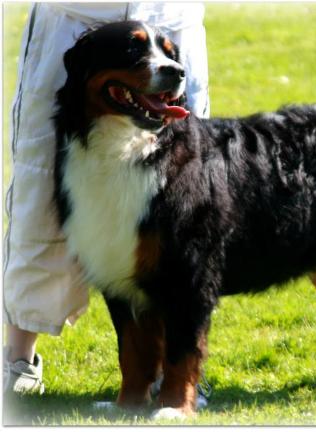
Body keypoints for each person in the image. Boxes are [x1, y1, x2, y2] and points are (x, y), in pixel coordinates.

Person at [3, 2, 210, 395]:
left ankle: (177, 369)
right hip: (73, 13)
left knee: (184, 205)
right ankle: (18, 358)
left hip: (170, 12)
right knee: (39, 188)